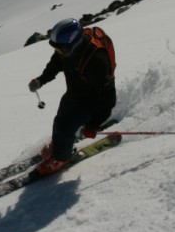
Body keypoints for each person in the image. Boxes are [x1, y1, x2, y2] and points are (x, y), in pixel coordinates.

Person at [28, 18, 117, 175]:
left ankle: (61, 158)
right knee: (59, 121)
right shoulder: (66, 50)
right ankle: (59, 146)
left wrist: (94, 125)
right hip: (74, 92)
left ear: (74, 43)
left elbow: (108, 98)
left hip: (91, 100)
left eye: (61, 50)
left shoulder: (96, 60)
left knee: (65, 127)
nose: (59, 53)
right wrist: (41, 80)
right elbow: (56, 63)